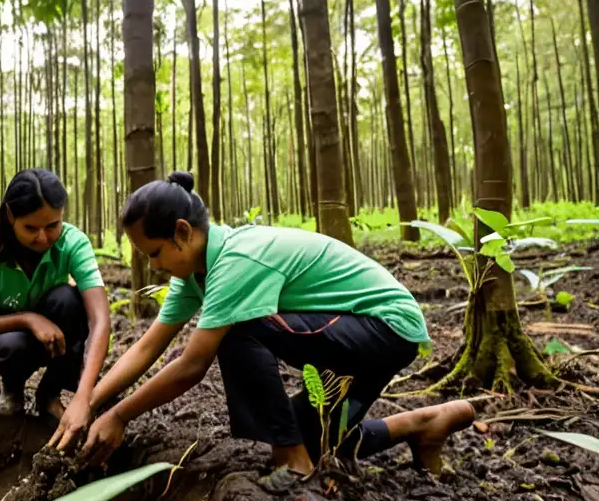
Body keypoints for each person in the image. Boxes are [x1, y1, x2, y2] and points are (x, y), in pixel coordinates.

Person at [49, 171, 474, 475]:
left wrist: (119, 416)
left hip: (384, 328)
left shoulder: (236, 260)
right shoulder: (196, 272)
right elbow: (149, 346)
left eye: (154, 254)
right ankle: (421, 424)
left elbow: (193, 365)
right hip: (356, 334)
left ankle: (292, 462)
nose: (152, 266)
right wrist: (89, 402)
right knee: (317, 433)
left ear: (182, 233)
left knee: (237, 332)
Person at [0, 169, 110, 421]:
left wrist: (84, 397)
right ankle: (12, 390)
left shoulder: (73, 243)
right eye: (31, 228)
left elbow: (99, 321)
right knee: (12, 343)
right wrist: (29, 319)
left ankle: (49, 394)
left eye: (52, 226)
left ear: (62, 214)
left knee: (69, 302)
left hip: (36, 305)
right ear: (11, 216)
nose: (43, 237)